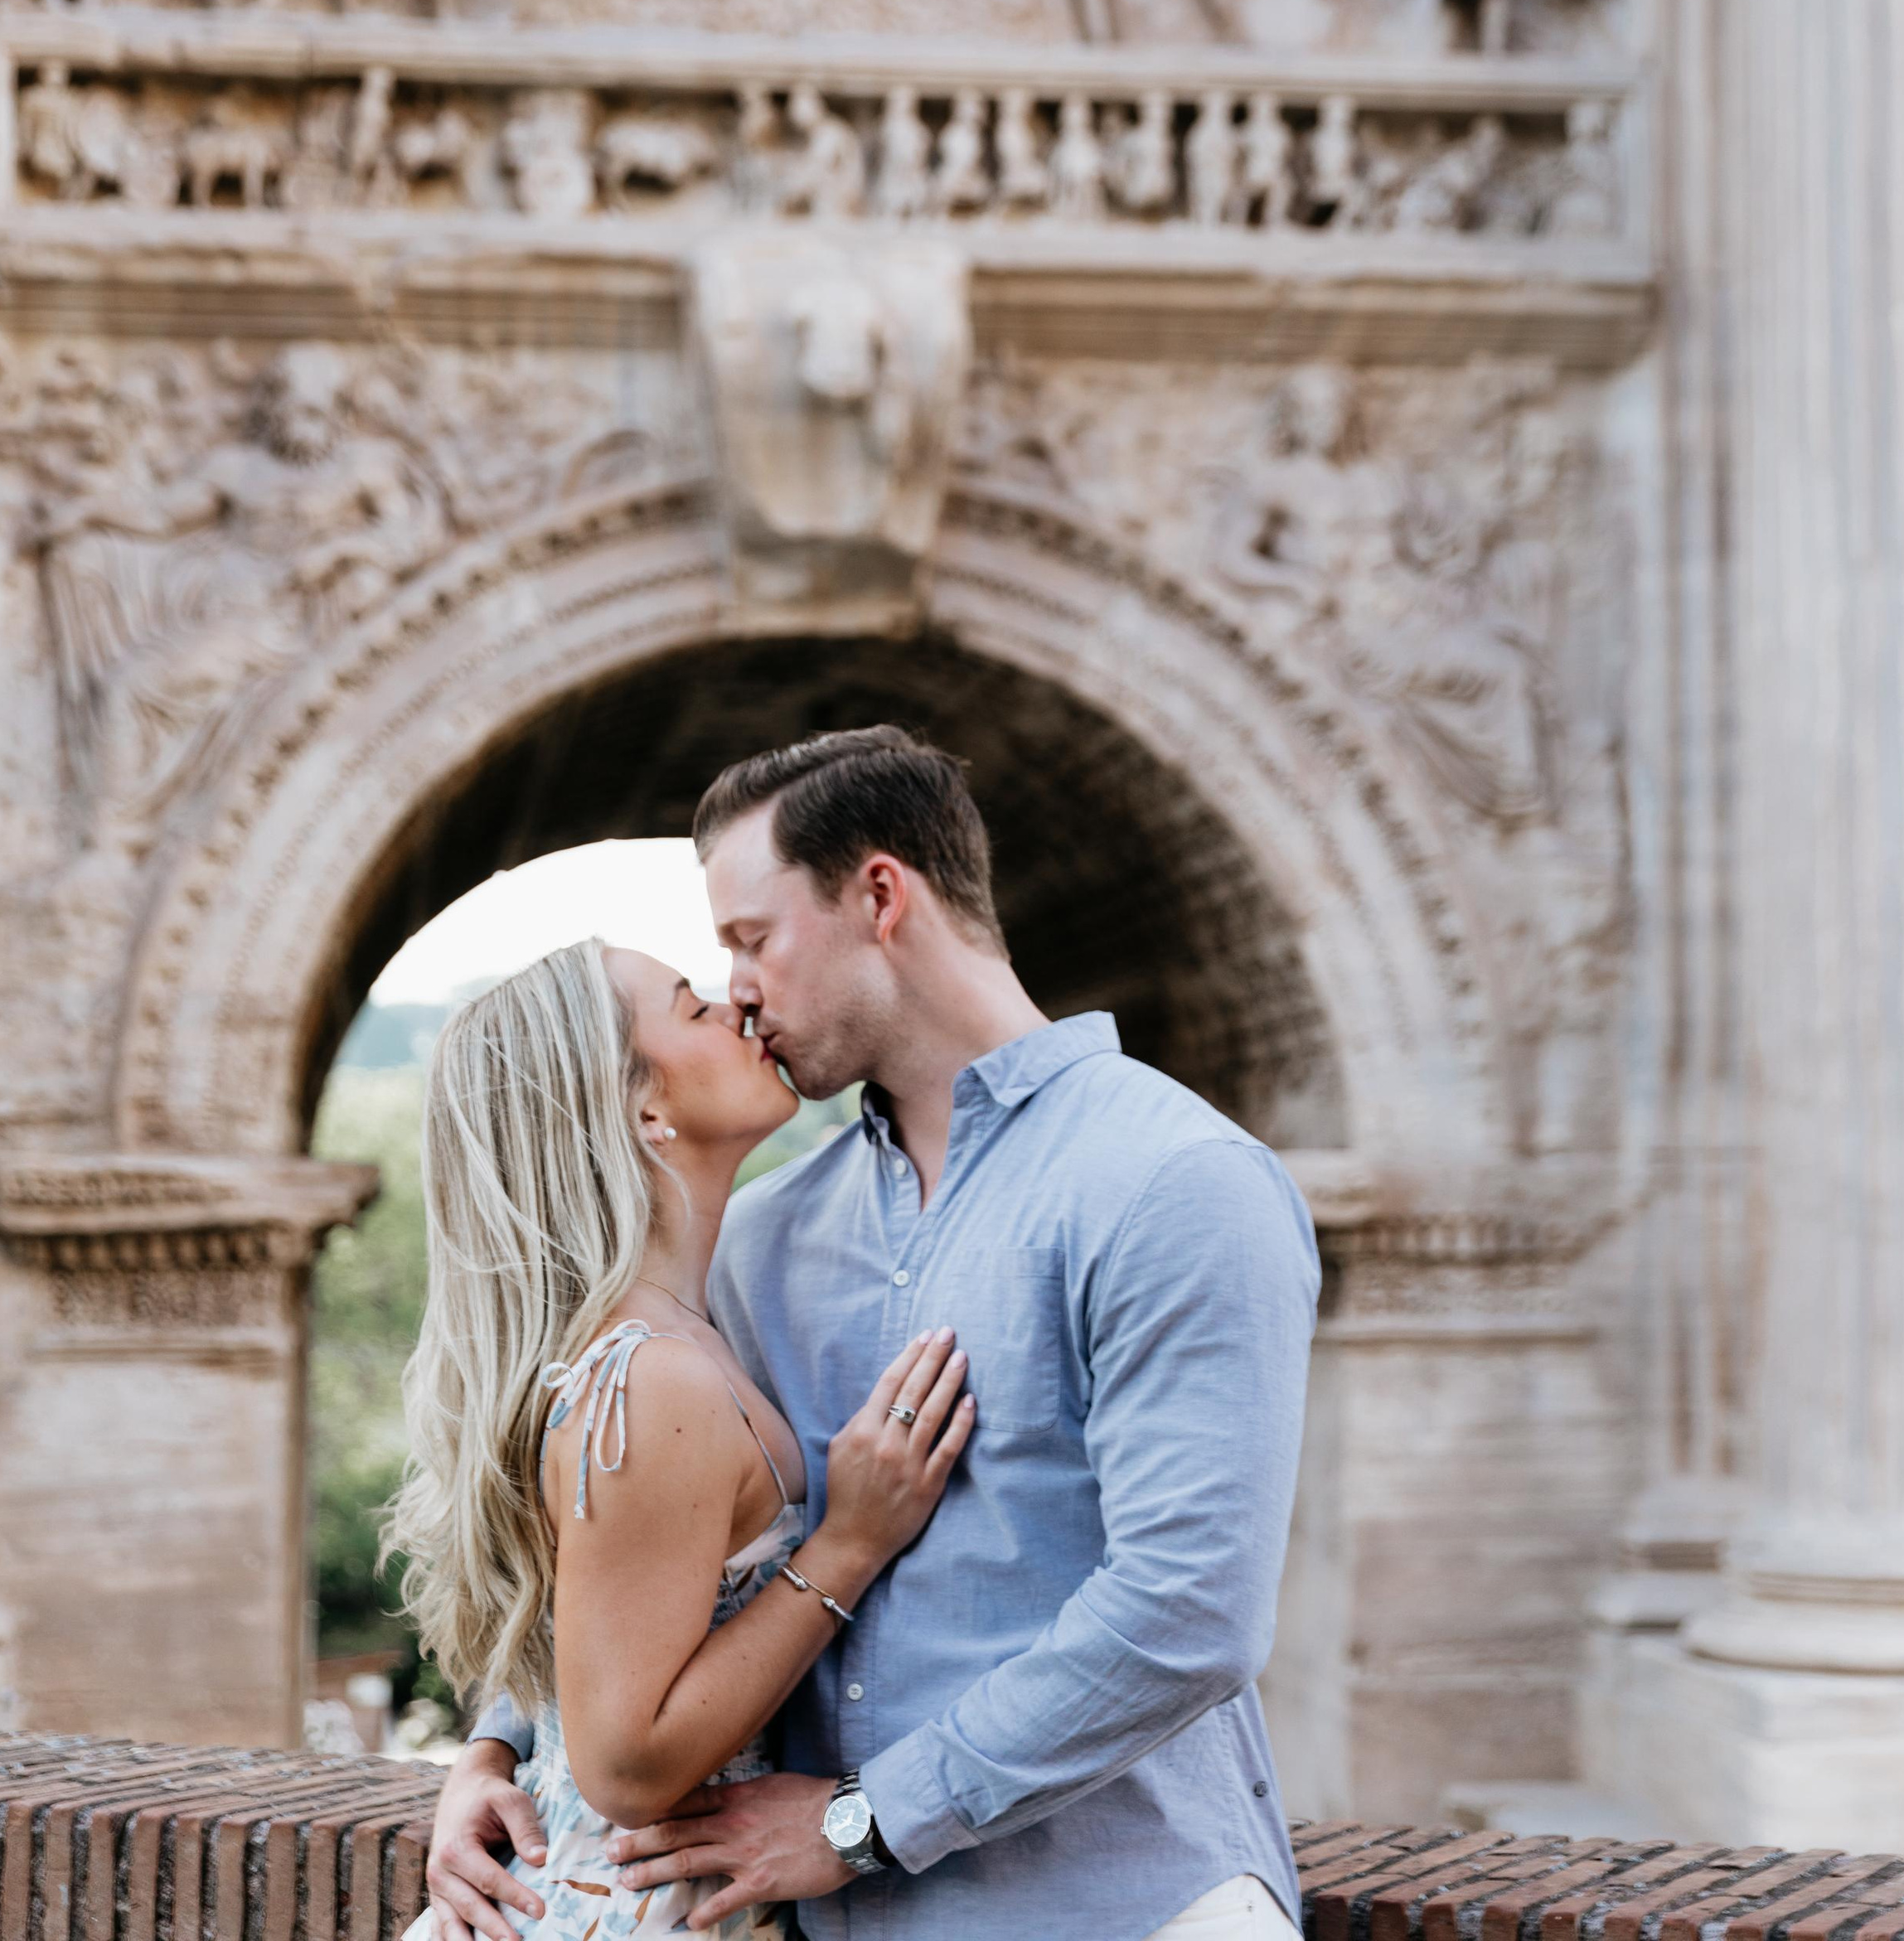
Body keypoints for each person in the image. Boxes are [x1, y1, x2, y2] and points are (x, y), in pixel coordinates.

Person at [429, 728, 1322, 1940]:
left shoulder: (1173, 1180)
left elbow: (1187, 1613)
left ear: (881, 898)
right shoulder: (763, 1237)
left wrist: (865, 1821)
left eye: (750, 940)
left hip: (1120, 1910)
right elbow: (645, 1548)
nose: (735, 985)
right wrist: (496, 1746)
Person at [390, 935, 975, 1941]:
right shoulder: (650, 1377)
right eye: (692, 1007)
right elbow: (625, 1766)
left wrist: (495, 1746)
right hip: (618, 1908)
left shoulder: (661, 1334)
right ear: (642, 1108)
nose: (733, 1009)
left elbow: (605, 1618)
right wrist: (850, 1543)